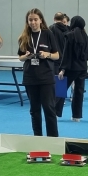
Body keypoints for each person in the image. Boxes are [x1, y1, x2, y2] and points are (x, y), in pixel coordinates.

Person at [17, 8, 59, 137]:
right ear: (27, 21)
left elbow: (57, 55)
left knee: (49, 109)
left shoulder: (48, 34)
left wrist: (47, 54)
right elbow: (20, 57)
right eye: (30, 20)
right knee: (34, 110)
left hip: (46, 78)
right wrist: (26, 56)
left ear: (41, 20)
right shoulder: (24, 37)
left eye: (35, 19)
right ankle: (37, 137)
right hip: (30, 78)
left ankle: (52, 138)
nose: (33, 22)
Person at [57, 15, 88, 121]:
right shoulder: (86, 38)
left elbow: (66, 54)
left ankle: (55, 111)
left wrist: (62, 69)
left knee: (60, 89)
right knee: (79, 92)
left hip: (71, 68)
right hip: (82, 68)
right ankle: (77, 116)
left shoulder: (69, 36)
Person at [49, 13, 68, 116]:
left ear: (54, 19)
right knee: (61, 86)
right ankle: (58, 112)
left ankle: (52, 109)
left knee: (52, 86)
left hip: (54, 60)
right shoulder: (68, 29)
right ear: (63, 19)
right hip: (65, 61)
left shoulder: (51, 29)